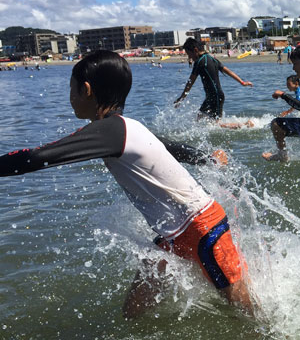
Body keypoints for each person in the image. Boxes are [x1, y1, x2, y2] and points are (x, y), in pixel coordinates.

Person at [0, 50, 255, 319]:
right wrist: (207, 159)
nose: (70, 97)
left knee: (252, 318)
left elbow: (38, 157)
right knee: (132, 313)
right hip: (175, 235)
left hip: (202, 228)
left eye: (71, 89)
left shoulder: (110, 131)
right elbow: (172, 148)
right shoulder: (128, 127)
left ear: (86, 89)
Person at [174, 38, 253, 120]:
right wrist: (242, 82)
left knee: (217, 125)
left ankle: (245, 124)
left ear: (195, 50)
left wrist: (181, 98)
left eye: (189, 54)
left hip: (215, 96)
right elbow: (228, 71)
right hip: (213, 96)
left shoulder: (199, 62)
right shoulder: (212, 58)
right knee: (199, 118)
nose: (189, 57)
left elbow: (190, 82)